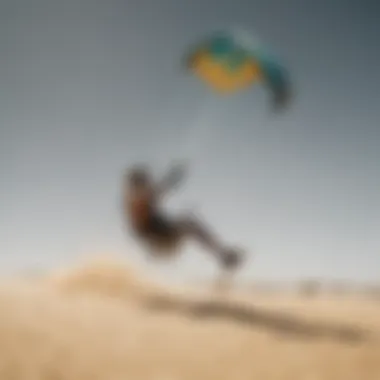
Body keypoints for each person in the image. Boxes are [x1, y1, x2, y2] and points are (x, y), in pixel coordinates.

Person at [122, 162, 244, 270]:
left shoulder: (140, 200)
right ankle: (223, 256)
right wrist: (170, 179)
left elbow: (155, 193)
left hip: (163, 243)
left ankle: (223, 255)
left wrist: (171, 179)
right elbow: (151, 195)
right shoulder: (136, 201)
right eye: (145, 183)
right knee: (188, 222)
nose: (148, 186)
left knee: (188, 222)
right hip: (160, 244)